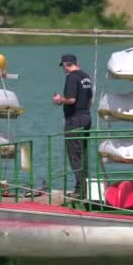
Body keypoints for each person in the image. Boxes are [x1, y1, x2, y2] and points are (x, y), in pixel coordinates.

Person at [53, 54, 93, 199]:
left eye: (63, 66)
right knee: (83, 153)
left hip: (74, 120)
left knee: (74, 155)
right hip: (86, 117)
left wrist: (59, 100)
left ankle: (80, 190)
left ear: (65, 64)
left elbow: (71, 100)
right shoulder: (86, 77)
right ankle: (85, 187)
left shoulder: (72, 77)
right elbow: (89, 102)